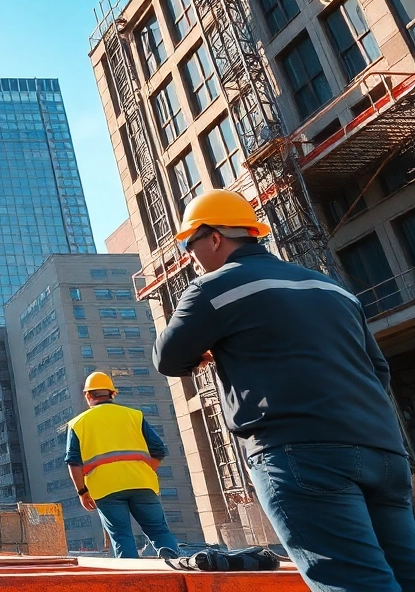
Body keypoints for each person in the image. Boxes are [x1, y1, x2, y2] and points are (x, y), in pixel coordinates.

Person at [154, 189, 415, 592]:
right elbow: (376, 369)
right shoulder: (333, 288)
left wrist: (206, 351)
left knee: (354, 581)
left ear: (215, 238)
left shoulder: (215, 288)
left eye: (190, 244)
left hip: (301, 454)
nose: (190, 256)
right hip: (383, 452)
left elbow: (168, 358)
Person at [65, 372, 178, 558]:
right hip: (141, 483)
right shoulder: (134, 416)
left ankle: (132, 583)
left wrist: (82, 492)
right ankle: (177, 566)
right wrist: (145, 470)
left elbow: (74, 462)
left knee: (121, 536)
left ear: (88, 395)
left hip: (106, 489)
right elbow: (158, 449)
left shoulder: (78, 423)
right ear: (112, 394)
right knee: (159, 531)